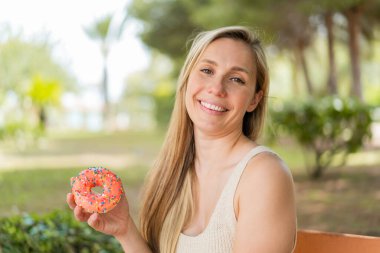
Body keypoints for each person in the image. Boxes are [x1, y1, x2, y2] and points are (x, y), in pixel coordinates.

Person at [67, 26, 297, 253]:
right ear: (187, 80)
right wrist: (125, 230)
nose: (217, 88)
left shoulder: (264, 175)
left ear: (254, 100)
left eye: (236, 79)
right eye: (207, 70)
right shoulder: (172, 172)